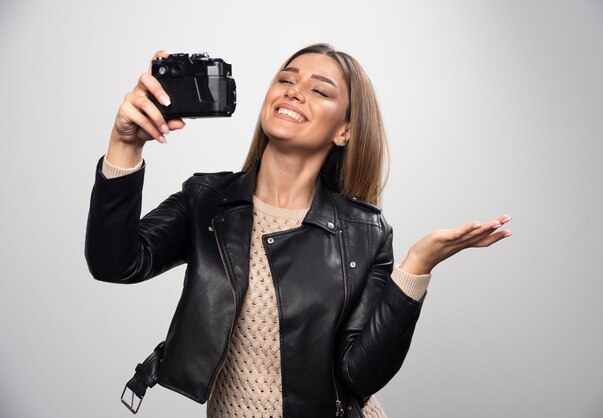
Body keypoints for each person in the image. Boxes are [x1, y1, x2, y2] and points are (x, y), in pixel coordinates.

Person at [85, 43, 511, 418]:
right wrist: (126, 144)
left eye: (320, 90)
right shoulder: (207, 200)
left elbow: (359, 376)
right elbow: (115, 263)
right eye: (286, 79)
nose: (294, 90)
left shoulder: (365, 233)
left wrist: (417, 266)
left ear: (344, 130)